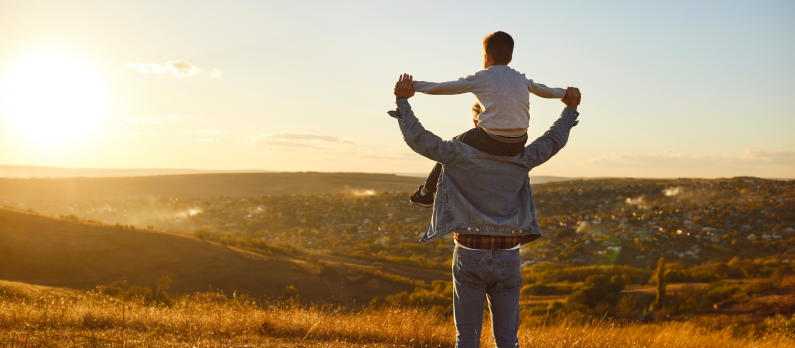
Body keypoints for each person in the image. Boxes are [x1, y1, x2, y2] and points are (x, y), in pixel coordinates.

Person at [389, 74, 581, 348]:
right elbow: (553, 140)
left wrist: (403, 100)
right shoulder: (523, 157)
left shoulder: (456, 153)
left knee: (467, 338)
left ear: (480, 121)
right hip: (508, 256)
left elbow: (418, 138)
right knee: (507, 339)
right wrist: (570, 109)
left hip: (469, 253)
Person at [407, 31, 570, 208]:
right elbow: (548, 92)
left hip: (491, 140)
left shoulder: (481, 77)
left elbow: (442, 87)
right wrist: (567, 93)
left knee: (451, 147)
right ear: (510, 58)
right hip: (519, 141)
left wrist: (413, 86)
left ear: (487, 56)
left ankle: (426, 193)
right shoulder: (521, 79)